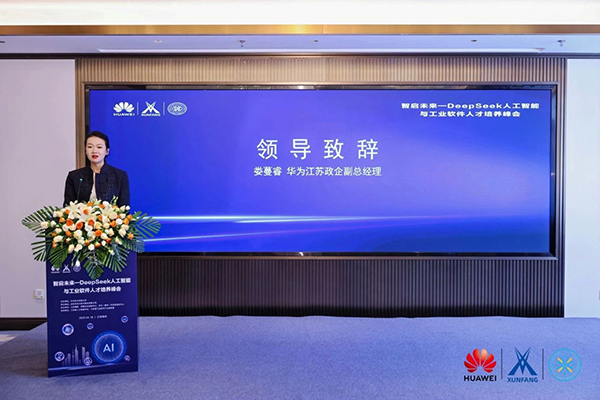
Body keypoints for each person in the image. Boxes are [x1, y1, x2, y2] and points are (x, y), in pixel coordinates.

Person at [63, 131, 130, 207]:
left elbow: (124, 208)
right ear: (85, 150)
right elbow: (68, 207)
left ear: (107, 151)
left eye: (99, 147)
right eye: (90, 147)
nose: (94, 151)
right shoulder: (74, 176)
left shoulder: (120, 176)